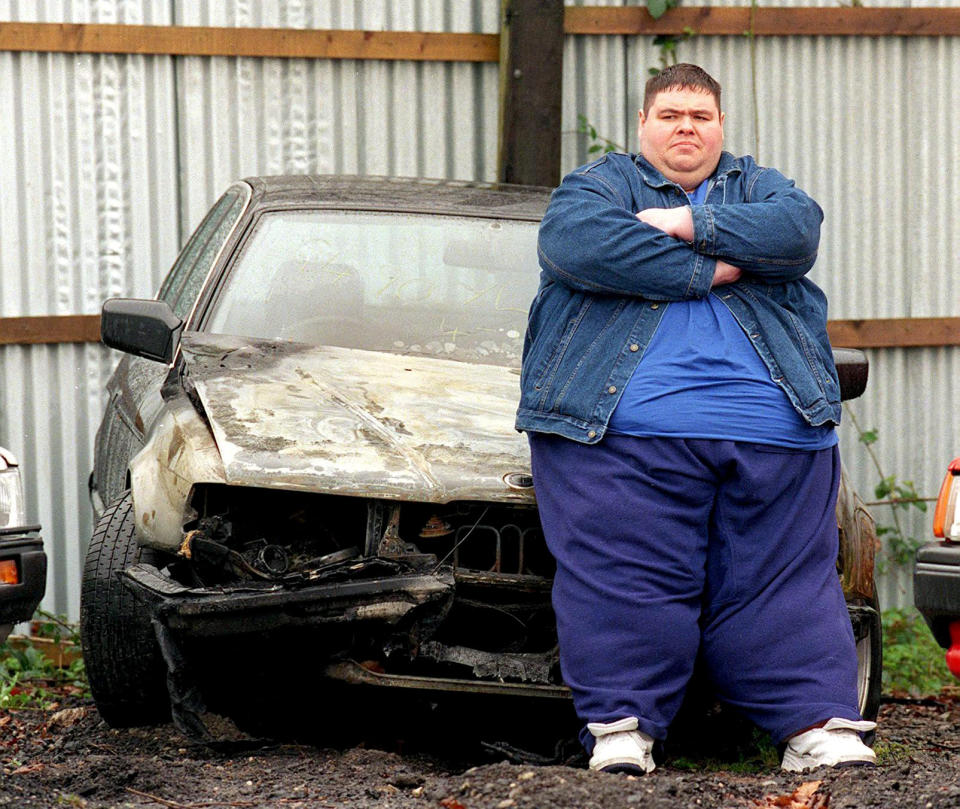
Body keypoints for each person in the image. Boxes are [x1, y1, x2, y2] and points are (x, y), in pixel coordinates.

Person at [516, 63, 876, 774]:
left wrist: (689, 223)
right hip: (617, 433)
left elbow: (794, 233)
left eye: (701, 116)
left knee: (786, 585)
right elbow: (582, 244)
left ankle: (816, 727)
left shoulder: (763, 188)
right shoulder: (597, 188)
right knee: (624, 578)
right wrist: (714, 267)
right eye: (671, 114)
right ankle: (622, 730)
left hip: (777, 431)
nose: (686, 127)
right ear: (643, 126)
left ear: (720, 127)